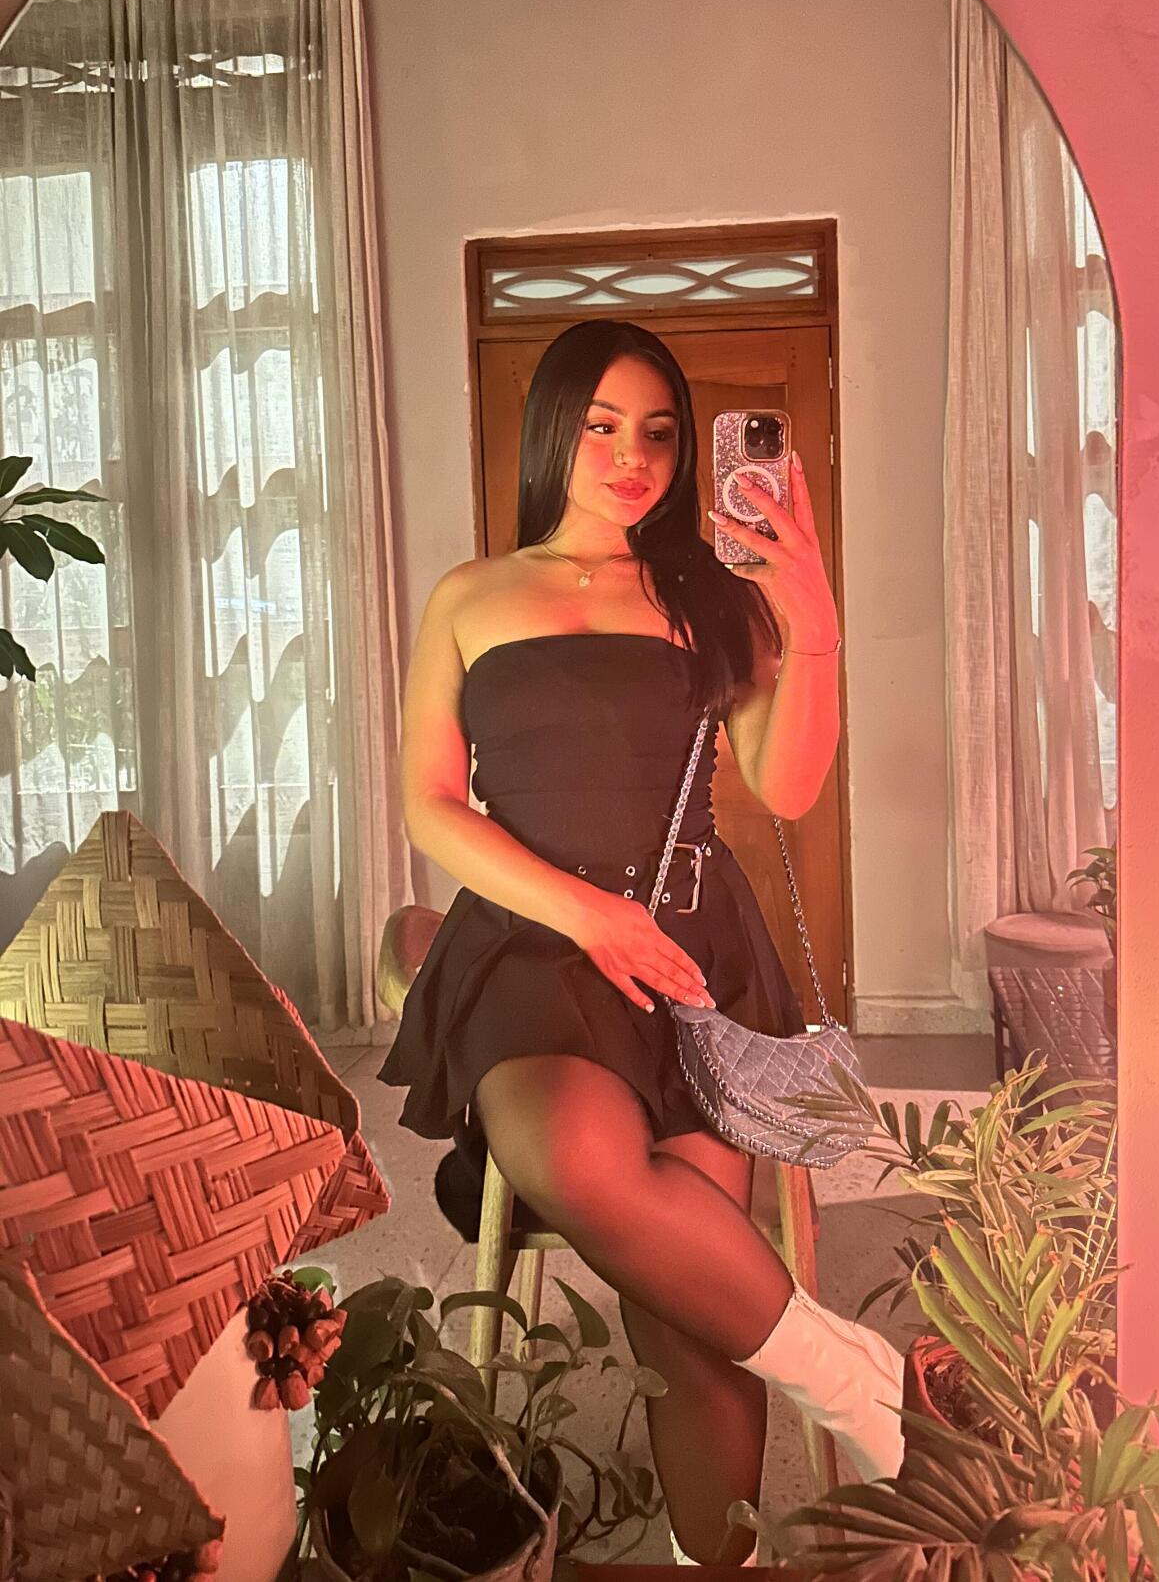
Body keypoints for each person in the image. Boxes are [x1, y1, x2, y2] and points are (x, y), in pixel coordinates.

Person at [379, 318, 904, 1563]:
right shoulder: (468, 594)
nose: (633, 458)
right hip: (530, 944)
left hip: (690, 948)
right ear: (551, 430)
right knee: (578, 1156)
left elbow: (786, 784)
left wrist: (812, 616)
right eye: (603, 426)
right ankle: (852, 1373)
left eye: (659, 433)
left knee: (683, 1305)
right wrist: (585, 913)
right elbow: (431, 804)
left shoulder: (710, 594)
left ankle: (719, 1558)